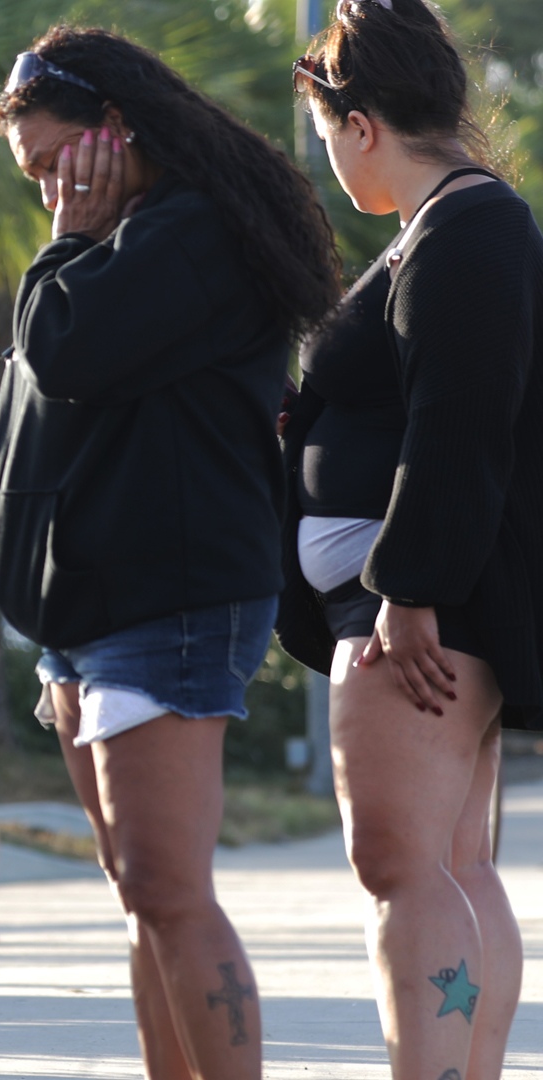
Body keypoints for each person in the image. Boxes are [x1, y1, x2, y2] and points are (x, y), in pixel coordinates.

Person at [0, 26, 342, 1080]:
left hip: (166, 604)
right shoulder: (141, 231)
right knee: (143, 891)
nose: (48, 191)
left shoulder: (188, 235)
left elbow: (65, 350)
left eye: (51, 164)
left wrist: (69, 237)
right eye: (35, 176)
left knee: (168, 890)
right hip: (105, 604)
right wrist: (83, 234)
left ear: (113, 132)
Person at [279, 1, 543, 1076]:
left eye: (326, 135)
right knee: (445, 860)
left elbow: (461, 420)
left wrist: (409, 588)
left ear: (362, 122)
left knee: (402, 862)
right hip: (413, 595)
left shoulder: (467, 229)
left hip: (419, 608)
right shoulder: (450, 226)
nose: (333, 162)